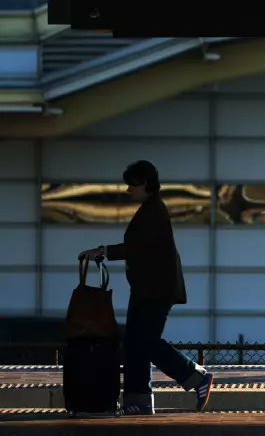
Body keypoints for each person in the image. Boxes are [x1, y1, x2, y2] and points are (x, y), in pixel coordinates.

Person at [78, 160, 214, 415]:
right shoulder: (151, 209)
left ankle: (194, 376)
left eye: (132, 184)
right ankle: (138, 401)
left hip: (154, 292)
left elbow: (137, 247)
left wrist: (103, 251)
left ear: (145, 184)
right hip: (146, 290)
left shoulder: (154, 211)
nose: (129, 190)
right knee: (136, 344)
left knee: (145, 342)